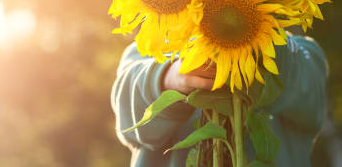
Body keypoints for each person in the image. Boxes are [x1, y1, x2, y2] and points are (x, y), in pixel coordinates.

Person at [111, 33, 328, 166]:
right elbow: (129, 115)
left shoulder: (298, 52)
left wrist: (254, 37)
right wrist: (170, 77)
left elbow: (311, 98)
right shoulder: (148, 49)